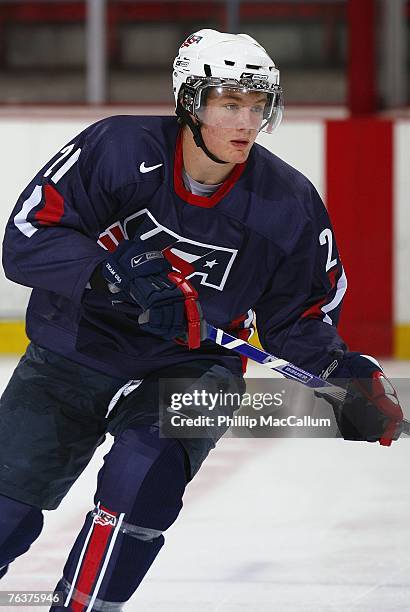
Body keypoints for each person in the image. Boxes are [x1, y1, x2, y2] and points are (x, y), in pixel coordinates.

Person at [0, 29, 403, 611]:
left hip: (196, 362)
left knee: (143, 484)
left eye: (257, 106)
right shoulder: (117, 148)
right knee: (8, 505)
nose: (246, 122)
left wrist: (343, 372)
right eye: (229, 104)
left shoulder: (287, 204)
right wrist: (109, 273)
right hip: (78, 340)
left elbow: (297, 320)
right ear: (190, 103)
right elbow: (27, 238)